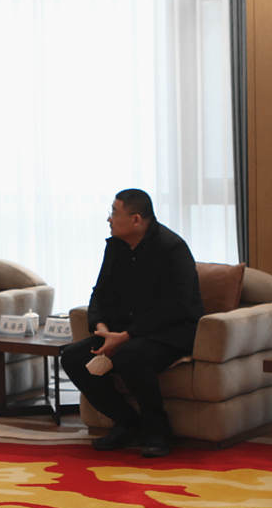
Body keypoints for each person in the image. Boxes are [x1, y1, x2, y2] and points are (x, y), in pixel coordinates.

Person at [59, 187, 203, 458]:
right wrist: (101, 328)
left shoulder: (171, 248)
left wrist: (126, 336)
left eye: (114, 212)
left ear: (136, 219)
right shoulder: (116, 247)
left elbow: (177, 307)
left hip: (170, 332)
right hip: (123, 332)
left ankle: (158, 430)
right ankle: (127, 423)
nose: (109, 219)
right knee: (72, 357)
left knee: (129, 355)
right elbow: (99, 293)